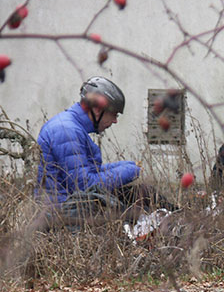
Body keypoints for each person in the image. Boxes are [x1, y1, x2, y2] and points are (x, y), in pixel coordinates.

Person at [36, 76, 163, 224]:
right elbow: (84, 187)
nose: (115, 120)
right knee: (141, 213)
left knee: (144, 193)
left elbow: (86, 171)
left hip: (72, 205)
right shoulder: (67, 131)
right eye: (114, 114)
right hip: (62, 214)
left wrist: (123, 166)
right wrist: (130, 171)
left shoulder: (71, 126)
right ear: (97, 110)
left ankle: (180, 218)